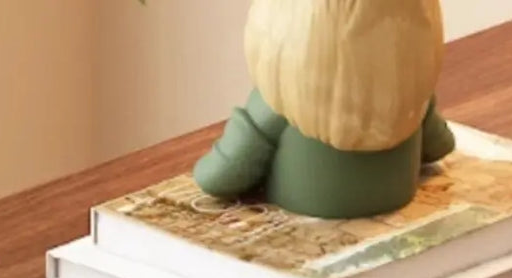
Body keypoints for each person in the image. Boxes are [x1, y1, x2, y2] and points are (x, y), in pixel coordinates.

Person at [194, 0, 455, 220]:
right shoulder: (411, 97)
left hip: (308, 212)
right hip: (396, 199)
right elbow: (441, 145)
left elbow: (218, 178)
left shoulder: (273, 105)